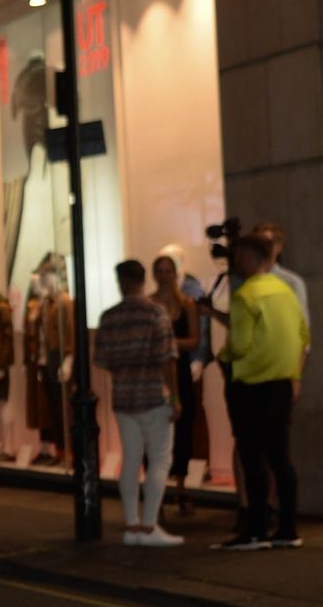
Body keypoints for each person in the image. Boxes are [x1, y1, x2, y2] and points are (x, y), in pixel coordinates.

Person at [205, 234, 310, 551]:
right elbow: (303, 334)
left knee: (252, 458)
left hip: (249, 385)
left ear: (251, 258)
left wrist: (224, 358)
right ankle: (288, 529)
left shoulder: (246, 295)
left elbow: (240, 345)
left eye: (239, 257)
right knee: (280, 458)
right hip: (281, 384)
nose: (236, 263)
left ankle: (256, 530)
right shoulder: (286, 291)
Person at [94, 259, 182, 546]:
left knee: (131, 460)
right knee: (160, 459)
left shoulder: (109, 317)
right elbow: (167, 359)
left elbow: (103, 360)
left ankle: (131, 525)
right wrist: (175, 396)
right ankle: (149, 526)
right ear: (144, 279)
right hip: (153, 395)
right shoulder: (155, 313)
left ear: (119, 281)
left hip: (123, 397)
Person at [150, 255, 201, 513]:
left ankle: (181, 487)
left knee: (183, 431)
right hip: (155, 373)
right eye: (160, 271)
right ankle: (157, 492)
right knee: (154, 432)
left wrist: (169, 343)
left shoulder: (187, 304)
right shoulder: (149, 304)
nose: (164, 276)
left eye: (168, 271)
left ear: (175, 273)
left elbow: (194, 340)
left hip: (180, 372)